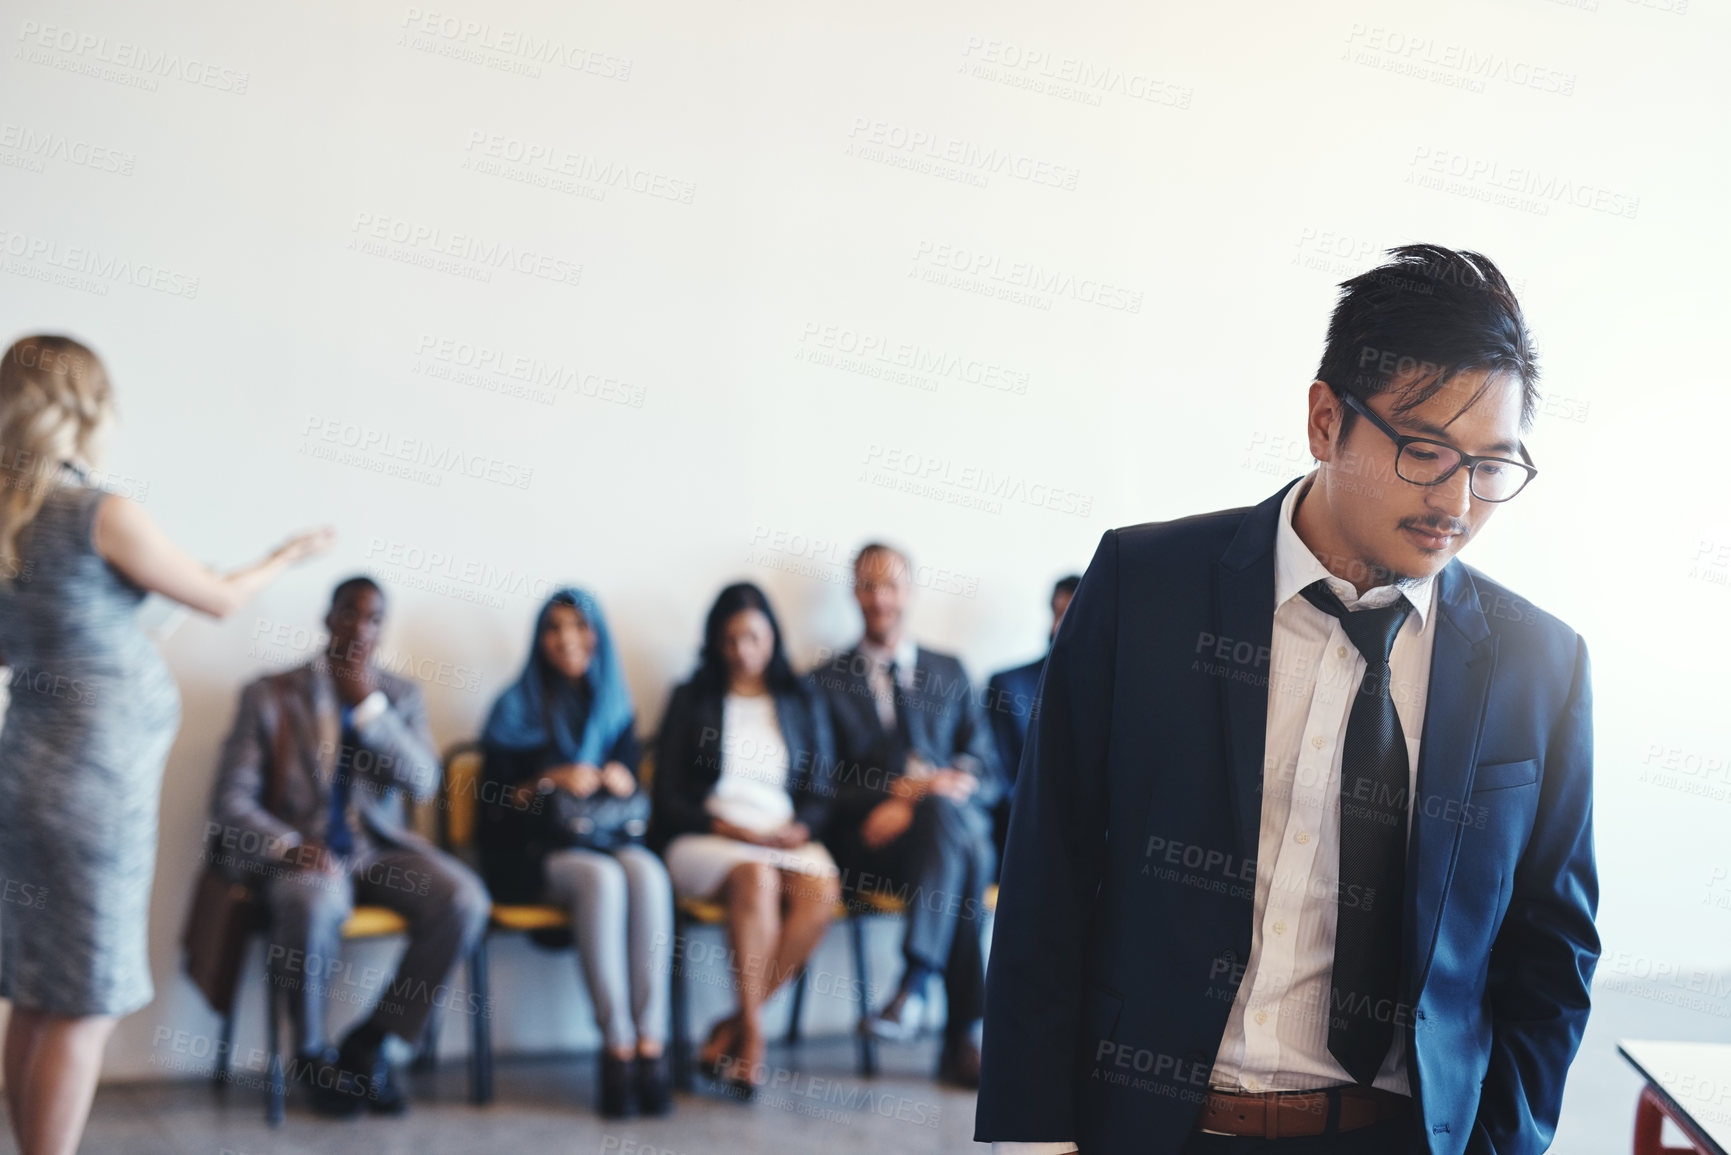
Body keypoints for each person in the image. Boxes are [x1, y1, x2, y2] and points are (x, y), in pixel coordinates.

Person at [975, 245, 1599, 1155]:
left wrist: (1506, 1143)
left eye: (1491, 466)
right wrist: (1034, 1137)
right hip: (1159, 1125)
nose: (1456, 502)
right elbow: (1048, 873)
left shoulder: (1537, 662)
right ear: (1323, 418)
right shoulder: (1145, 589)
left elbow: (1553, 948)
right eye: (1424, 450)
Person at [0, 334, 330, 1155]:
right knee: (85, 1000)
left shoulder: (11, 517)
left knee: (35, 988)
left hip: (25, 778)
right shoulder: (97, 511)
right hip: (91, 793)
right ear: (88, 408)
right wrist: (281, 558)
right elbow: (217, 598)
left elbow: (43, 636)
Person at [207, 576, 489, 1117]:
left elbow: (425, 782)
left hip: (379, 851)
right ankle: (311, 1054)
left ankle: (372, 1041)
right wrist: (286, 845)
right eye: (349, 613)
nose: (360, 626)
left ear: (383, 629)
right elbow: (229, 801)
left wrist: (370, 709)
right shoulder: (271, 693)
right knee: (314, 899)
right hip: (306, 856)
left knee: (464, 899)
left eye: (373, 617)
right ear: (328, 618)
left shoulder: (400, 697)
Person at [477, 587, 675, 1118]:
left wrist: (620, 777)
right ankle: (615, 1048)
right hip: (537, 854)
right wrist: (548, 779)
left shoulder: (613, 706)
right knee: (602, 881)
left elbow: (636, 798)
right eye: (554, 627)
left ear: (598, 634)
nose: (568, 639)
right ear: (539, 638)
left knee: (649, 873)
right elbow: (490, 813)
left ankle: (650, 1046)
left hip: (609, 839)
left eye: (579, 626)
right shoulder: (513, 707)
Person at [813, 541, 1002, 1089]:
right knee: (963, 851)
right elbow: (821, 784)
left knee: (951, 825)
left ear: (910, 591)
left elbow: (988, 767)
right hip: (878, 847)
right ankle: (959, 1035)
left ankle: (916, 983)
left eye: (890, 584)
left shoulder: (950, 667)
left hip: (947, 833)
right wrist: (896, 794)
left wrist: (928, 795)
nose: (880, 598)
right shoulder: (825, 681)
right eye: (868, 585)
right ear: (854, 593)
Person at [650, 582, 842, 1097]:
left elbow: (822, 791)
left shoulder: (801, 698)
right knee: (754, 877)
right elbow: (665, 796)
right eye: (731, 639)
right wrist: (728, 829)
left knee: (822, 891)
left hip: (783, 835)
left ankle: (730, 1026)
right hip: (708, 835)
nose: (742, 651)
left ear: (773, 638)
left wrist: (799, 829)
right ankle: (754, 1039)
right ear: (715, 642)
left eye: (753, 638)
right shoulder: (691, 698)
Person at [984, 574, 1081, 860]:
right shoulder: (1008, 686)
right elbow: (999, 779)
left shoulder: (1122, 694)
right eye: (1057, 614)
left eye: (1072, 616)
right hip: (1028, 832)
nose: (1059, 627)